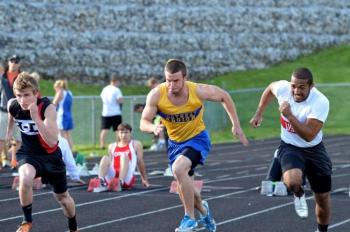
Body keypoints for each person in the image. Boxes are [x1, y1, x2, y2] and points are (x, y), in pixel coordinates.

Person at [140, 59, 249, 232]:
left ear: (185, 77)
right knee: (186, 190)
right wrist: (153, 127)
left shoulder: (197, 90)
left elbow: (224, 96)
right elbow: (143, 122)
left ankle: (189, 219)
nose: (171, 84)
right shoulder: (156, 95)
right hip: (175, 145)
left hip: (197, 140)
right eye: (168, 80)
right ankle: (205, 212)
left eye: (176, 80)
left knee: (178, 168)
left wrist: (235, 124)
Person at [250, 67, 332, 232]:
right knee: (291, 181)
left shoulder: (320, 102)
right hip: (290, 147)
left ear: (311, 86)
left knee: (322, 198)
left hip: (314, 150)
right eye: (294, 86)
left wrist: (289, 115)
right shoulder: (283, 88)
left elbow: (308, 135)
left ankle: (322, 230)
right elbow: (270, 88)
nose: (296, 91)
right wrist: (259, 112)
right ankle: (299, 193)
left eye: (302, 87)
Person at [6, 72, 79, 232]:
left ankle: (73, 227)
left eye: (26, 95)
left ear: (36, 93)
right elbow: (11, 115)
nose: (23, 100)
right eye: (19, 95)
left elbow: (52, 140)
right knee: (24, 179)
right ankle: (27, 221)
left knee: (63, 198)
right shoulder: (13, 104)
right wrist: (9, 134)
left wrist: (36, 119)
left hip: (51, 156)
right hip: (29, 154)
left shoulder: (47, 108)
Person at [93, 123, 150, 192]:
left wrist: (144, 179)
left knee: (124, 155)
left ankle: (120, 182)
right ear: (118, 134)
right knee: (105, 158)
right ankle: (101, 181)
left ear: (130, 133)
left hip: (126, 178)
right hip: (112, 177)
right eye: (121, 133)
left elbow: (140, 162)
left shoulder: (136, 144)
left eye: (126, 132)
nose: (124, 135)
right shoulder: (111, 146)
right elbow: (109, 164)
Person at [0, 55, 22, 168]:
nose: (14, 63)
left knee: (18, 139)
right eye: (12, 61)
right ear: (8, 62)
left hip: (17, 112)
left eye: (16, 61)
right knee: (1, 138)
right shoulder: (2, 77)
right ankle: (3, 159)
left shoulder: (21, 77)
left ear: (19, 64)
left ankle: (11, 157)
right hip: (3, 111)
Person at [99, 75, 123, 149]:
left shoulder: (105, 89)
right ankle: (119, 144)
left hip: (106, 112)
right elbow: (120, 100)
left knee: (104, 130)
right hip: (115, 112)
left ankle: (102, 145)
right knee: (118, 130)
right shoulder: (116, 90)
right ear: (115, 81)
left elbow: (102, 98)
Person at [53, 80, 74, 150]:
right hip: (69, 115)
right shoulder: (70, 93)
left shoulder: (60, 92)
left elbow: (53, 104)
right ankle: (70, 152)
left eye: (55, 88)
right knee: (68, 136)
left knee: (61, 136)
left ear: (58, 87)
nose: (55, 90)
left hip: (62, 116)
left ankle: (63, 152)